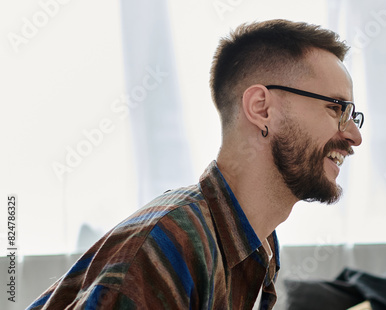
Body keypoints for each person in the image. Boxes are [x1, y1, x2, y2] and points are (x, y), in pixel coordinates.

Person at [29, 19, 363, 309]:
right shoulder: (168, 246)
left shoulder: (258, 246)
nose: (354, 136)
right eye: (336, 109)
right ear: (262, 109)